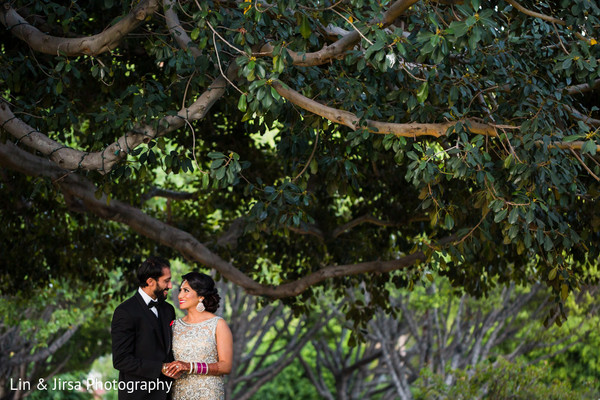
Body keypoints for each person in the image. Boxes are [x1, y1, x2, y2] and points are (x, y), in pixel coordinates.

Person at [111, 256, 176, 400]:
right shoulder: (125, 312)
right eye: (166, 281)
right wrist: (160, 368)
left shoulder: (169, 310)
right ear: (150, 282)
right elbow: (121, 360)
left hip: (168, 394)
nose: (170, 286)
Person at [162, 272, 233, 400]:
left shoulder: (218, 324)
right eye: (180, 290)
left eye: (186, 290)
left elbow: (226, 366)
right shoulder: (174, 326)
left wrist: (190, 366)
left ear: (200, 296)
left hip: (208, 394)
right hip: (179, 393)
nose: (180, 295)